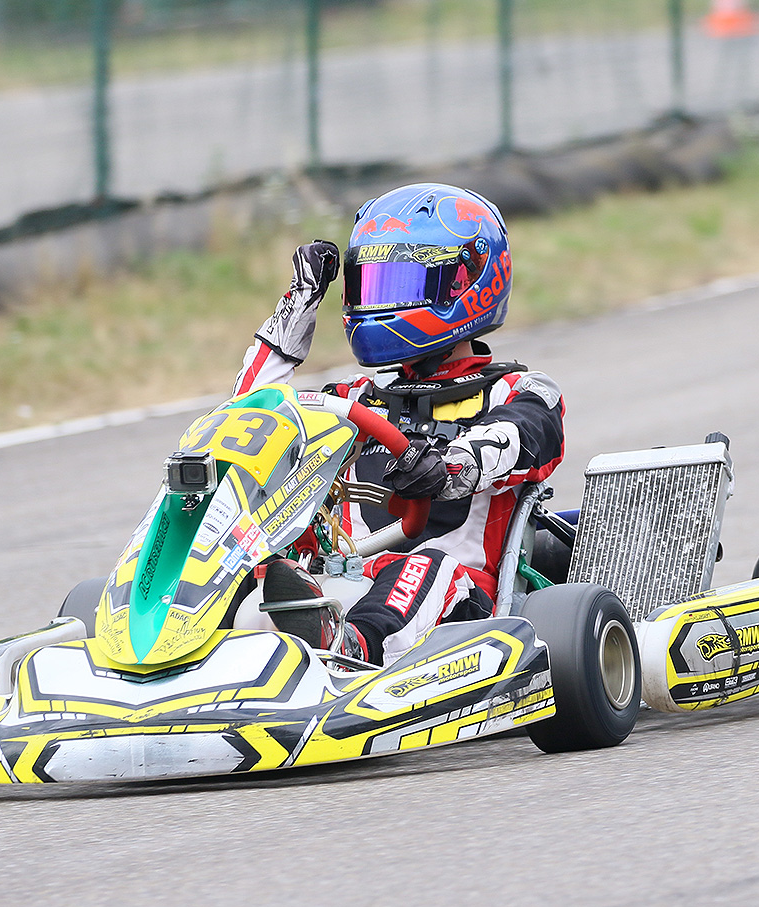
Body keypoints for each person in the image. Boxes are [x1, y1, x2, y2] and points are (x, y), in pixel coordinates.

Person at [231, 182, 564, 666]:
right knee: (248, 561)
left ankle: (351, 651)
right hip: (335, 587)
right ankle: (171, 650)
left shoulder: (519, 391)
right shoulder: (351, 399)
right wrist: (299, 303)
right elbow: (248, 419)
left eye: (399, 286)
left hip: (460, 606)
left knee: (425, 565)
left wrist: (453, 467)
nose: (380, 302)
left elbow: (516, 436)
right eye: (371, 285)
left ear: (464, 283)